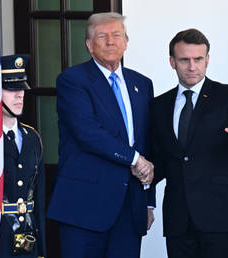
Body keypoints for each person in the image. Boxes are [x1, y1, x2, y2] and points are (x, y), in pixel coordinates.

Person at [150, 28, 228, 258]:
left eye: (198, 59)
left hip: (221, 216)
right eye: (185, 60)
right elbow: (160, 160)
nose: (192, 66)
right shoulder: (159, 106)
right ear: (172, 62)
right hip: (178, 220)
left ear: (207, 60)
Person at [47, 12, 155, 258]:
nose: (110, 42)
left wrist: (147, 200)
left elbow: (147, 142)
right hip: (84, 207)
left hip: (130, 208)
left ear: (126, 42)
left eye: (116, 35)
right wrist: (134, 159)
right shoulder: (72, 80)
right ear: (89, 45)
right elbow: (88, 132)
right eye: (102, 36)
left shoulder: (142, 84)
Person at [0, 55, 46, 258]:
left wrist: (42, 248)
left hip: (28, 237)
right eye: (11, 89)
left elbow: (39, 197)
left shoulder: (32, 137)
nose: (20, 95)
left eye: (22, 89)